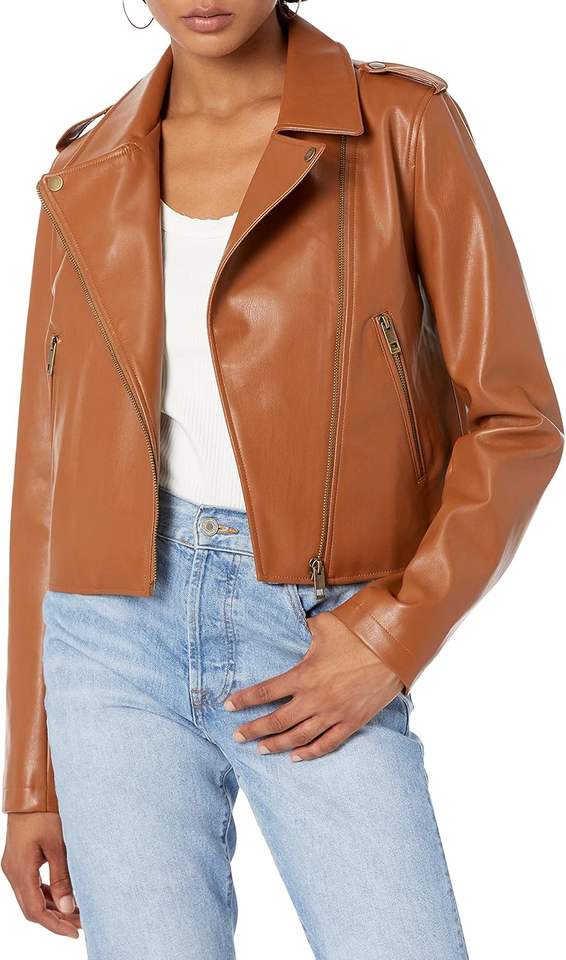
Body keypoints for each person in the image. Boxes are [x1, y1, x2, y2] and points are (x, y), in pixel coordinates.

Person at [2, 1, 563, 957]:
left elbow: (517, 423)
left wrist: (389, 636)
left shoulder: (398, 125)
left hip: (312, 629)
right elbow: (44, 476)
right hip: (108, 642)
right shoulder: (86, 167)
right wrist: (31, 782)